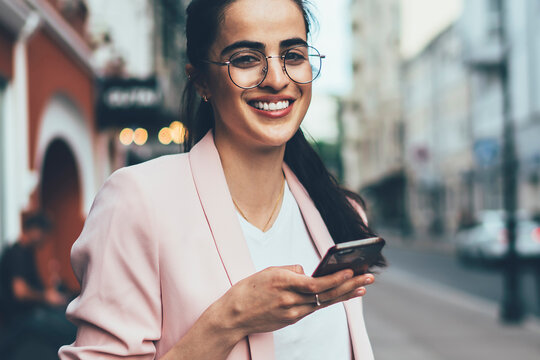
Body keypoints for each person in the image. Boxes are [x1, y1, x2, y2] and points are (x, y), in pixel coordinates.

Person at [59, 0, 383, 359]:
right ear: (201, 82)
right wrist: (230, 318)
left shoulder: (338, 210)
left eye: (292, 55)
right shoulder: (139, 200)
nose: (277, 80)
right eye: (246, 58)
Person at [0, 212, 76, 357]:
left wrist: (49, 292)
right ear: (34, 230)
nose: (45, 238)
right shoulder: (17, 252)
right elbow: (20, 292)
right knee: (70, 328)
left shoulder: (27, 253)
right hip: (20, 319)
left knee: (65, 315)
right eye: (44, 233)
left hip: (29, 314)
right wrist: (45, 297)